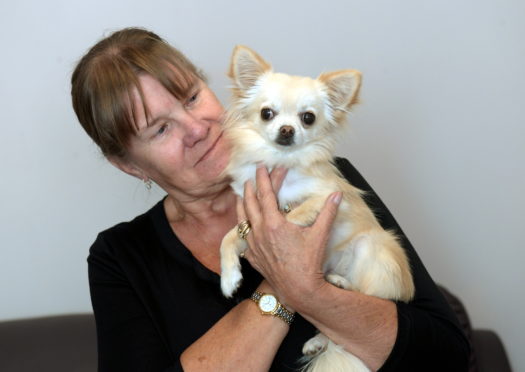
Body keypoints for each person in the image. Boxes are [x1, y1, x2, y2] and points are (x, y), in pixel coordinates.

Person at [71, 27, 470, 371]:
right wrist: (285, 284)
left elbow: (446, 356)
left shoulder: (324, 177)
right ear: (129, 165)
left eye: (192, 97)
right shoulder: (121, 257)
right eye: (160, 129)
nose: (196, 128)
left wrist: (312, 291)